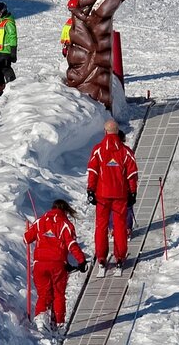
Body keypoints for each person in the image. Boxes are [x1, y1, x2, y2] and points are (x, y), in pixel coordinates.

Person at [24, 199, 87, 333]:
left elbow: (27, 239)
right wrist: (81, 260)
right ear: (65, 211)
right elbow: (71, 245)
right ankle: (59, 324)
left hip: (39, 264)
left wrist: (29, 229)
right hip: (57, 264)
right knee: (58, 294)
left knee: (43, 294)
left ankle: (41, 319)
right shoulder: (65, 224)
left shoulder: (40, 221)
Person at [86, 119, 139, 278]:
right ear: (117, 132)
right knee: (120, 226)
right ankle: (120, 256)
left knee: (101, 226)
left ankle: (101, 257)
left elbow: (92, 171)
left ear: (105, 131)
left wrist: (90, 190)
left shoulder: (98, 150)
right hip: (120, 196)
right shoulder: (126, 151)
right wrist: (133, 192)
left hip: (102, 196)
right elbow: (132, 175)